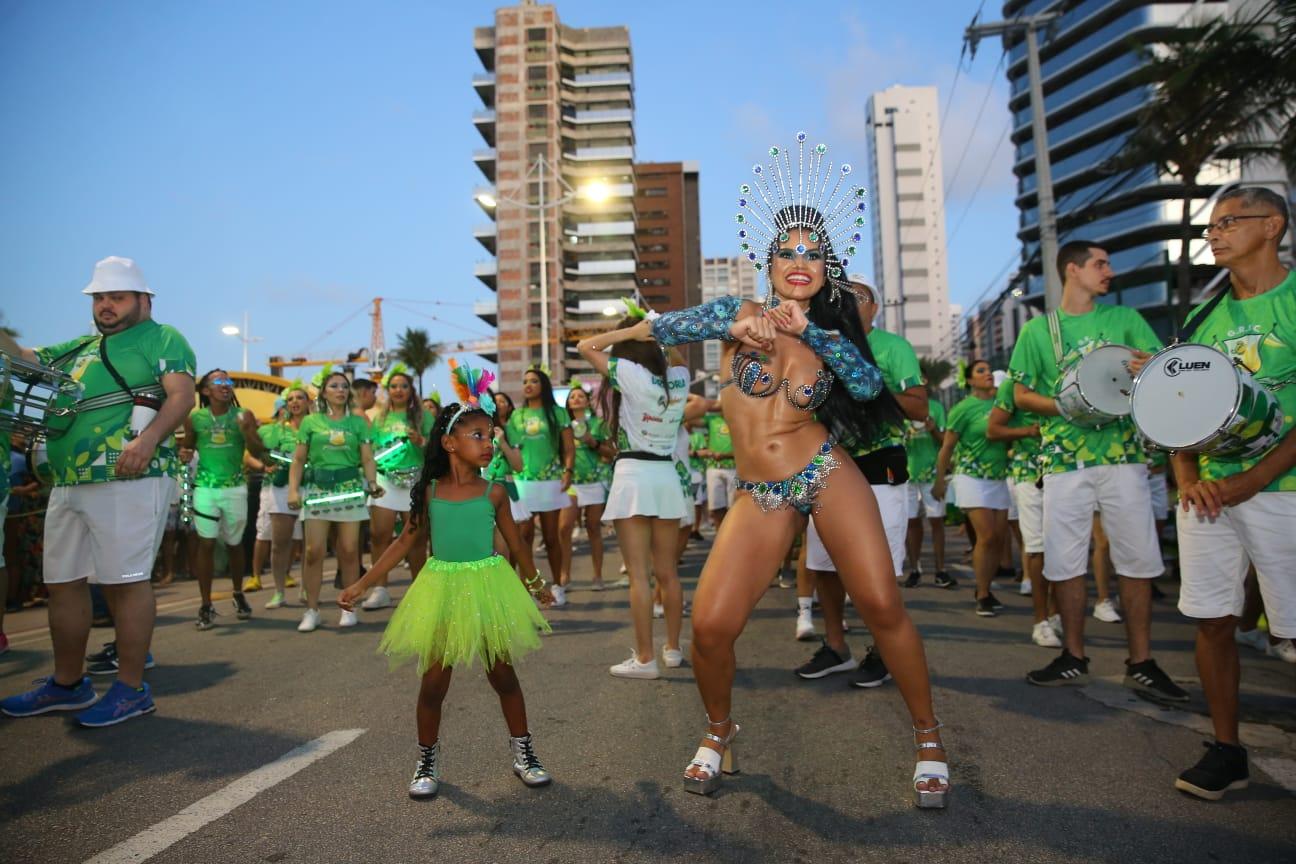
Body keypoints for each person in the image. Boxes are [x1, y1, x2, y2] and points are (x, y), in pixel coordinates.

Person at [648, 142, 949, 807]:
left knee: (880, 602)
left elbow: (871, 388)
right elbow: (667, 324)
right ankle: (719, 731)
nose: (800, 262)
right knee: (710, 627)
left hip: (824, 470)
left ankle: (928, 737)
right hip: (762, 490)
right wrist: (732, 324)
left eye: (814, 253)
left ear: (827, 265)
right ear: (770, 262)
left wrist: (814, 333)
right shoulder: (737, 317)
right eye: (788, 252)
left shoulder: (834, 332)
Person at [337, 370, 554, 798]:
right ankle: (426, 759)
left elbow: (517, 544)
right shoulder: (431, 491)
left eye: (490, 436)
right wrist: (361, 585)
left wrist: (536, 583)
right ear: (450, 443)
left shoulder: (494, 492)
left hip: (488, 585)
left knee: (503, 675)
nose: (488, 443)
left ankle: (524, 752)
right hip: (442, 588)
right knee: (434, 682)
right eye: (478, 435)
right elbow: (403, 543)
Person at [0, 257, 194, 726]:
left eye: (117, 297)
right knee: (61, 583)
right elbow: (20, 360)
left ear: (143, 301)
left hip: (129, 476)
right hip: (69, 481)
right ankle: (68, 684)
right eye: (99, 298)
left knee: (125, 584)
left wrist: (147, 441)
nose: (106, 306)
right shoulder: (80, 347)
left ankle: (131, 689)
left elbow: (182, 396)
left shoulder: (164, 337)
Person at [1009, 240, 1187, 700]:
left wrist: (1149, 367)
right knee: (1064, 563)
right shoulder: (1039, 331)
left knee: (1138, 560)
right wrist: (1067, 406)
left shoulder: (1126, 321)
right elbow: (1020, 396)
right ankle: (1073, 656)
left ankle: (1142, 662)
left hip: (1124, 459)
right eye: (1100, 264)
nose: (1109, 272)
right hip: (1064, 463)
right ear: (1073, 270)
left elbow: (1161, 373)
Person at [1170, 187, 1296, 800]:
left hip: (1283, 488)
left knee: (1291, 629)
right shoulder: (1203, 318)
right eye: (1210, 227)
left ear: (1272, 226)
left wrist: (1252, 480)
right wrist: (1186, 477)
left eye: (1228, 223)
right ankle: (1228, 751)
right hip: (1210, 495)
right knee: (1214, 619)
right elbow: (1171, 405)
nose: (1214, 235)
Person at [796, 277, 927, 687]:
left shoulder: (893, 348)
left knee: (881, 568)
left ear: (874, 307)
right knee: (823, 563)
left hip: (880, 469)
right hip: (831, 468)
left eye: (857, 298)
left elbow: (920, 407)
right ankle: (837, 647)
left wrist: (868, 393)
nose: (847, 304)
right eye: (839, 298)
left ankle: (882, 650)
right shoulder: (818, 345)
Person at [577, 308, 692, 679]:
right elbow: (677, 356)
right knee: (668, 573)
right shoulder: (678, 378)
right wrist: (657, 330)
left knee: (639, 576)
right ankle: (673, 649)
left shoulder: (627, 373)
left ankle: (645, 659)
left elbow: (584, 346)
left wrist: (632, 332)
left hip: (633, 476)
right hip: (666, 475)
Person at [287, 367, 382, 632]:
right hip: (317, 491)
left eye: (344, 386)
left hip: (350, 488)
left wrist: (372, 482)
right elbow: (298, 459)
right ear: (323, 393)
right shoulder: (310, 422)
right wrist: (293, 490)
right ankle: (312, 610)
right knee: (313, 552)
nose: (340, 390)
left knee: (350, 551)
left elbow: (367, 457)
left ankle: (347, 608)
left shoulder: (358, 423)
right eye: (334, 386)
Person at [181, 369, 268, 629]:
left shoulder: (244, 415)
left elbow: (257, 451)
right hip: (205, 488)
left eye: (228, 381)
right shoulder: (195, 418)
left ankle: (238, 593)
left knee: (234, 543)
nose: (225, 385)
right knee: (205, 544)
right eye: (218, 381)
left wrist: (247, 431)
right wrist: (184, 453)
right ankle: (205, 605)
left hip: (235, 487)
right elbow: (188, 445)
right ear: (205, 391)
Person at [933, 360, 1009, 617]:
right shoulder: (962, 409)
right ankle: (983, 593)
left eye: (989, 370)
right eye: (981, 371)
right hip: (971, 478)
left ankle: (984, 589)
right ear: (970, 381)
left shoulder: (1003, 404)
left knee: (998, 538)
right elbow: (947, 447)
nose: (988, 373)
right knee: (986, 536)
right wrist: (939, 480)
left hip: (999, 477)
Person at [987, 373, 1057, 647]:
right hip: (1029, 474)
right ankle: (1041, 621)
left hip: (1067, 470)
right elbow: (993, 430)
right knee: (1037, 547)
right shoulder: (1011, 386)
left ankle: (1058, 614)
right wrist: (1027, 431)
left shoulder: (1071, 375)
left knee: (1064, 549)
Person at [361, 364, 434, 611]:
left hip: (415, 481)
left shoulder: (424, 416)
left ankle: (420, 589)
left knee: (416, 537)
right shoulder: (378, 418)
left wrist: (421, 441)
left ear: (411, 390)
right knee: (379, 534)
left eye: (403, 386)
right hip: (385, 480)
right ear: (388, 391)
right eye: (393, 386)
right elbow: (368, 450)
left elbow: (438, 449)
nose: (398, 390)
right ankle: (379, 589)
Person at [506, 368, 574, 606]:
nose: (528, 385)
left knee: (551, 536)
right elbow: (511, 448)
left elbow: (568, 447)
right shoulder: (517, 416)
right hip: (523, 481)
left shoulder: (558, 413)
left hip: (551, 480)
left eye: (534, 381)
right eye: (525, 381)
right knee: (523, 536)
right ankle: (527, 588)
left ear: (543, 385)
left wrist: (568, 471)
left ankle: (557, 585)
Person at [253, 383, 309, 609]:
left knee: (311, 544)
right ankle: (278, 592)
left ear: (309, 403)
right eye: (291, 399)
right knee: (279, 543)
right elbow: (255, 451)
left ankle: (308, 588)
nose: (295, 402)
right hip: (280, 489)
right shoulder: (274, 430)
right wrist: (265, 465)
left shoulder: (317, 426)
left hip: (311, 486)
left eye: (300, 398)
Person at [558, 382, 611, 591]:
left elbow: (611, 452)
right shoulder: (563, 426)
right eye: (572, 396)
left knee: (593, 528)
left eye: (580, 396)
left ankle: (597, 576)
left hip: (595, 481)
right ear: (568, 403)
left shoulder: (598, 424)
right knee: (564, 528)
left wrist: (593, 443)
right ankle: (564, 575)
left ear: (587, 401)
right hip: (571, 483)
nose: (576, 399)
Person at [904, 390, 952, 589]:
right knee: (912, 523)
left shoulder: (936, 408)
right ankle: (915, 569)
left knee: (936, 522)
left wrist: (933, 429)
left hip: (931, 474)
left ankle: (941, 570)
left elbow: (946, 441)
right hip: (906, 475)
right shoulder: (900, 408)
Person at [701, 408, 737, 528]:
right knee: (716, 507)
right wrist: (710, 405)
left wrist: (725, 455)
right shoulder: (712, 419)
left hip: (733, 467)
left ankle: (731, 536)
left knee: (734, 507)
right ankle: (719, 537)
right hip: (714, 467)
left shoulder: (739, 418)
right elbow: (690, 419)